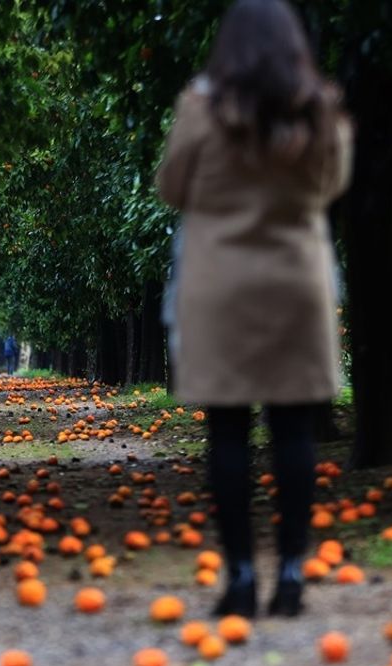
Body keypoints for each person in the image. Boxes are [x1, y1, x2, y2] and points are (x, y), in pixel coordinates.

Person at [156, 0, 352, 618]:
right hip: (296, 282)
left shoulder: (202, 108)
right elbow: (334, 184)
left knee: (229, 431)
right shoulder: (318, 109)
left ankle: (240, 577)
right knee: (294, 430)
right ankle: (291, 575)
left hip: (221, 289)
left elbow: (170, 186)